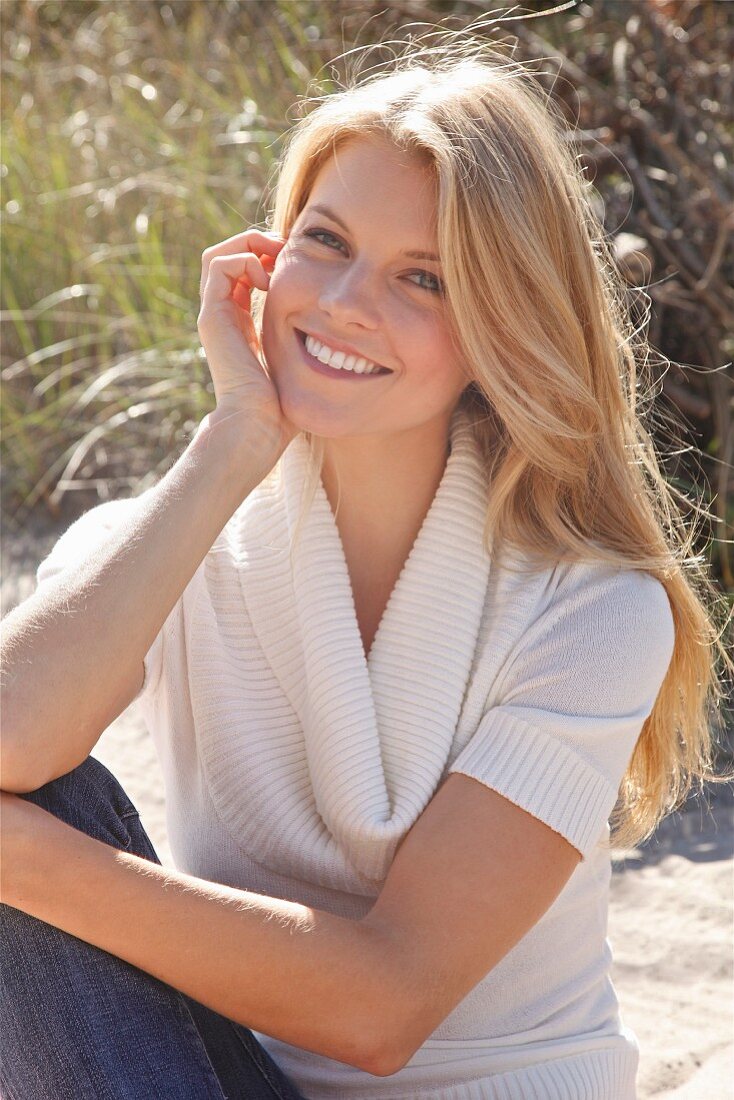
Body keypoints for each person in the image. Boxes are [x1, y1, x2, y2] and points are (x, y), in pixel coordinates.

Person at [1, 37, 731, 1100]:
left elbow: (383, 1004)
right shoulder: (163, 541)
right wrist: (234, 441)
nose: (344, 301)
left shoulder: (591, 608)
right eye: (324, 241)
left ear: (500, 324)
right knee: (41, 770)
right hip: (210, 1077)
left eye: (421, 278)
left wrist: (24, 862)